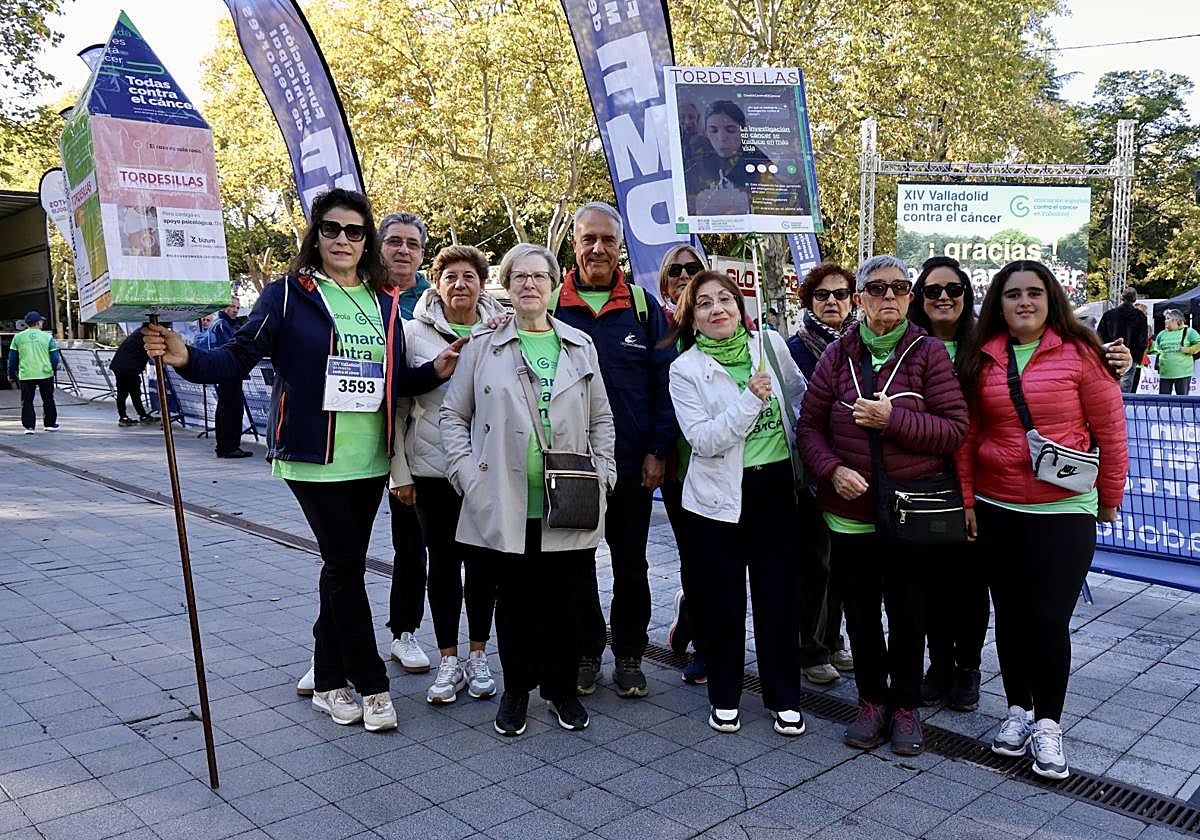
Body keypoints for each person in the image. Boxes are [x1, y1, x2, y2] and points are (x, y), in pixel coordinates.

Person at [144, 189, 463, 734]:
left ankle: (327, 671)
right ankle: (368, 683)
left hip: (369, 459)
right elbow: (239, 356)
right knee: (345, 568)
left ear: (367, 242)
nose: (343, 239)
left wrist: (435, 369)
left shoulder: (383, 300)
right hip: (313, 458)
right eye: (332, 229)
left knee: (340, 568)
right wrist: (187, 357)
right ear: (316, 235)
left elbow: (386, 383)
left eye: (355, 231)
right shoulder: (288, 294)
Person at [957, 260, 1128, 779]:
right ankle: (1017, 711)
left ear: (1052, 298)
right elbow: (968, 436)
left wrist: (1109, 499)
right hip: (998, 504)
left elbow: (1111, 430)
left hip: (1064, 509)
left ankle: (1048, 724)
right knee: (1009, 616)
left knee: (1049, 619)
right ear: (998, 303)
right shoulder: (982, 358)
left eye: (1034, 292)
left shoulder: (1081, 354)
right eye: (1013, 294)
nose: (1024, 302)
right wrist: (968, 499)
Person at [440, 242, 616, 736]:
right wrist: (466, 475)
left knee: (564, 601)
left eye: (540, 276)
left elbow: (601, 418)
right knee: (513, 603)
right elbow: (454, 415)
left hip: (570, 498)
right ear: (508, 286)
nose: (531, 285)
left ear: (556, 285)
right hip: (503, 499)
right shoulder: (483, 345)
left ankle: (560, 691)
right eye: (520, 277)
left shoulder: (580, 345)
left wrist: (604, 475)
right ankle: (517, 690)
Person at [796, 255, 968, 757]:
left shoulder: (927, 352)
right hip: (850, 513)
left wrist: (893, 420)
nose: (887, 296)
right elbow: (809, 427)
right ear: (859, 300)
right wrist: (831, 470)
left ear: (910, 298)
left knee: (910, 611)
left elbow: (954, 430)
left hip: (912, 508)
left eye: (898, 287)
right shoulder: (838, 356)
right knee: (862, 614)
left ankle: (907, 706)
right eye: (876, 288)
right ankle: (872, 701)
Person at [666, 270, 809, 735]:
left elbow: (797, 398)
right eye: (704, 303)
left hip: (775, 490)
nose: (717, 309)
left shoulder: (768, 346)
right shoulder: (684, 369)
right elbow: (704, 440)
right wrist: (749, 399)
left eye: (725, 298)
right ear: (692, 317)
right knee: (723, 601)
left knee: (778, 599)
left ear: (740, 307)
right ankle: (724, 693)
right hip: (717, 499)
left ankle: (783, 696)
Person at [553, 202, 676, 699]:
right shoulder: (551, 306)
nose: (598, 249)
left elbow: (666, 385)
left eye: (608, 240)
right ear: (575, 245)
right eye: (589, 239)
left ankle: (629, 653)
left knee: (632, 563)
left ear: (620, 245)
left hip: (631, 465)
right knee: (578, 562)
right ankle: (586, 650)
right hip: (571, 465)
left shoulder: (644, 309)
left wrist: (657, 450)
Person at [390, 244, 506, 705]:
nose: (461, 284)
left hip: (485, 470)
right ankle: (448, 660)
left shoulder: (503, 329)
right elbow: (397, 405)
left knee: (483, 567)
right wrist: (398, 470)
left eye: (469, 276)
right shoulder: (411, 332)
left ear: (482, 283)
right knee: (441, 567)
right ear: (436, 283)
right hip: (431, 470)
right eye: (451, 276)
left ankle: (479, 656)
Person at [908, 257, 987, 712]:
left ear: (966, 296)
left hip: (976, 484)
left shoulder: (986, 346)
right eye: (933, 289)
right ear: (919, 296)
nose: (943, 297)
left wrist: (1111, 359)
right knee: (930, 582)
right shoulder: (909, 348)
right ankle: (938, 666)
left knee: (970, 584)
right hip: (923, 482)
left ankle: (968, 669)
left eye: (953, 289)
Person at [786, 263, 859, 685]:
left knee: (843, 564)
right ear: (808, 301)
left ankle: (833, 639)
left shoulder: (861, 347)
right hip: (811, 472)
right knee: (814, 563)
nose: (832, 301)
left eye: (841, 293)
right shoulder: (795, 349)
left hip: (853, 472)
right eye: (822, 295)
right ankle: (809, 648)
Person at [378, 211, 435, 674]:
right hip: (369, 446)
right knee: (404, 549)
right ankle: (399, 633)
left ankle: (454, 646)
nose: (403, 250)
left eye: (412, 244)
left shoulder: (431, 303)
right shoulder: (362, 297)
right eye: (394, 241)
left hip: (432, 449)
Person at [656, 245, 709, 685]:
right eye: (677, 269)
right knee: (696, 555)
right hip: (678, 465)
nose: (686, 275)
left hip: (726, 464)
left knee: (721, 558)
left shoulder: (726, 324)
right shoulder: (659, 331)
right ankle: (703, 643)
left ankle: (693, 620)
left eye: (695, 269)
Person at [684, 101, 781, 217]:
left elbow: (770, 210)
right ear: (706, 133)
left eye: (730, 130)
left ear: (742, 131)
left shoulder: (761, 164)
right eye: (713, 130)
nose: (722, 138)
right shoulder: (696, 165)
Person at [208, 296, 251, 459]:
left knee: (227, 408)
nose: (235, 310)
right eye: (232, 306)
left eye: (237, 308)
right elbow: (233, 348)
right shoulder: (222, 325)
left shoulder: (223, 324)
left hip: (226, 372)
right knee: (231, 409)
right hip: (229, 372)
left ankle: (226, 446)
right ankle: (229, 447)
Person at [8, 311, 60, 433]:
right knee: (48, 399)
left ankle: (29, 426)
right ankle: (50, 424)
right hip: (45, 373)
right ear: (37, 322)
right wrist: (53, 369)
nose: (42, 322)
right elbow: (55, 357)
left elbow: (12, 358)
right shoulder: (48, 337)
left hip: (26, 374)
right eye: (41, 321)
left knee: (27, 401)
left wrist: (11, 374)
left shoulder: (18, 337)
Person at [1097, 288, 1148, 393]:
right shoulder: (1140, 316)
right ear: (1135, 299)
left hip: (1110, 355)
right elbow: (1143, 339)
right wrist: (1137, 358)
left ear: (1121, 298)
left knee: (1108, 388)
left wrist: (1103, 354)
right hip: (1131, 357)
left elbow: (1099, 337)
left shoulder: (1109, 315)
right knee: (1125, 391)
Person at [108, 324, 155, 426]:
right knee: (129, 392)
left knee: (130, 392)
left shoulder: (139, 333)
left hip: (123, 365)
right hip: (127, 367)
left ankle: (134, 415)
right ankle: (126, 417)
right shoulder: (145, 336)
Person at [1149, 308, 1200, 395]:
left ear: (1176, 320)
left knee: (1182, 400)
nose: (1165, 321)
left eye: (1168, 318)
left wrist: (1189, 350)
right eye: (1165, 318)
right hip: (1165, 372)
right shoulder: (1161, 334)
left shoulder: (1189, 332)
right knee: (1163, 401)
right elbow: (1156, 350)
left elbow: (1199, 344)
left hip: (1183, 372)